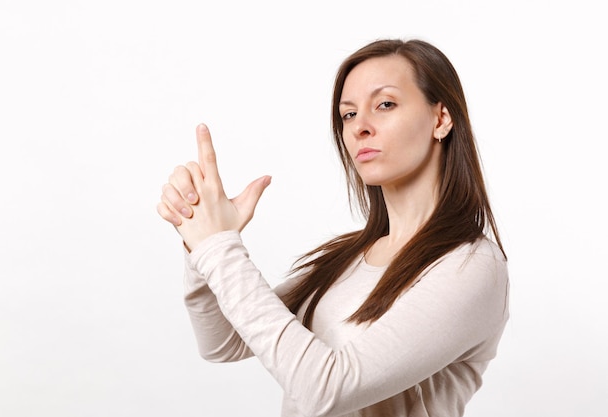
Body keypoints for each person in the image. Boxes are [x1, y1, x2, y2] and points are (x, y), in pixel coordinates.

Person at [157, 38, 509, 417]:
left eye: (385, 104)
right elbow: (221, 342)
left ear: (440, 119)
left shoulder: (471, 265)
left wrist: (219, 247)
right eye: (348, 114)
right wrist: (198, 239)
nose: (360, 128)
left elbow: (326, 388)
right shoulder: (348, 257)